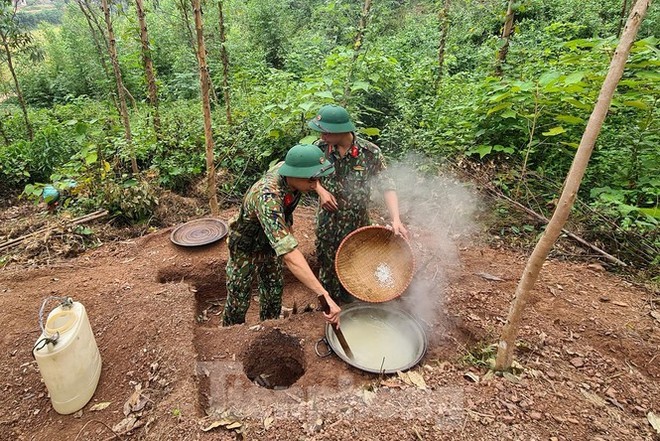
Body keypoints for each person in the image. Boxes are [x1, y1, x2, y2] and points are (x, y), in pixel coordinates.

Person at [222, 144, 341, 326]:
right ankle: (230, 335)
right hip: (246, 248)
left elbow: (306, 168)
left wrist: (319, 189)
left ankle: (269, 329)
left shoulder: (291, 171)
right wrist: (324, 295)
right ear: (293, 174)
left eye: (318, 178)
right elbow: (289, 255)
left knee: (273, 293)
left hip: (271, 245)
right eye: (311, 180)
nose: (315, 183)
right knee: (239, 298)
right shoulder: (267, 196)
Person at [307, 104, 409, 304]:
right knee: (327, 269)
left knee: (355, 267)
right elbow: (305, 176)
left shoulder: (370, 153)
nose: (322, 137)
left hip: (357, 225)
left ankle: (353, 307)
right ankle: (329, 307)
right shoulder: (318, 150)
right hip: (328, 223)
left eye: (326, 133)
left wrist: (396, 219)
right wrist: (320, 190)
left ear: (341, 130)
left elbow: (387, 185)